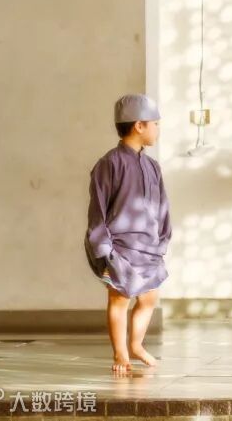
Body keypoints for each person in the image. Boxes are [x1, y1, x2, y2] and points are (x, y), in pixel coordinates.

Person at [84, 94, 172, 375]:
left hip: (149, 246)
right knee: (119, 299)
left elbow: (162, 206)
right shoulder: (109, 164)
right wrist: (104, 250)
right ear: (139, 125)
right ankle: (120, 353)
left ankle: (136, 345)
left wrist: (162, 239)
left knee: (148, 298)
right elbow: (98, 209)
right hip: (120, 247)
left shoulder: (153, 166)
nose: (158, 129)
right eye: (155, 124)